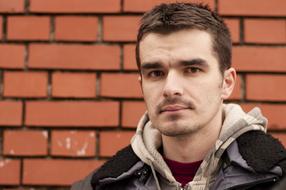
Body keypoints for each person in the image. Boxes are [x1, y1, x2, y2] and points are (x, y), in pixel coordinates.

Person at [71, 2, 286, 190]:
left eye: (192, 69)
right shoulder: (98, 186)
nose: (170, 88)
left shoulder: (279, 179)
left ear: (226, 83)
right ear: (142, 85)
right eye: (156, 73)